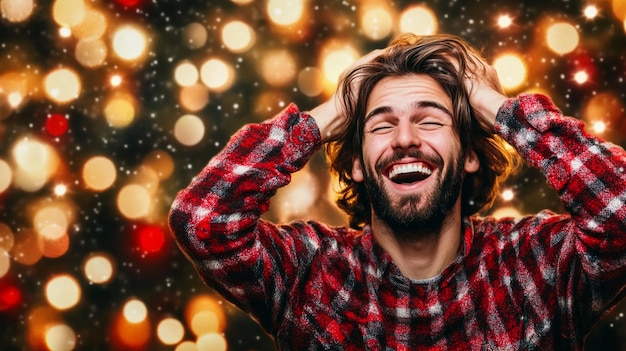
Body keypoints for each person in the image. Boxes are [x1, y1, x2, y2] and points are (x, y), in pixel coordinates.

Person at [168, 33, 626, 350]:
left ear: (469, 154)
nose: (405, 138)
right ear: (355, 163)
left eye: (430, 120)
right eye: (382, 124)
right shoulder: (309, 274)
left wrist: (494, 105)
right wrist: (325, 117)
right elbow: (203, 222)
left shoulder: (538, 264)